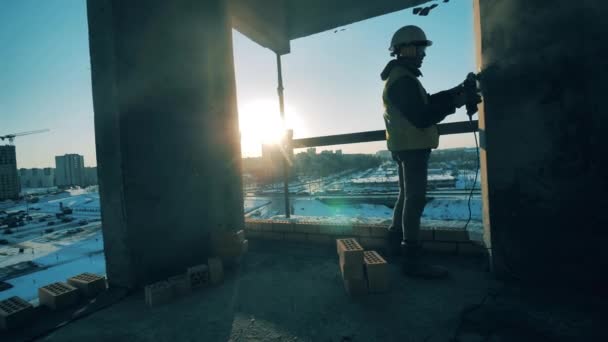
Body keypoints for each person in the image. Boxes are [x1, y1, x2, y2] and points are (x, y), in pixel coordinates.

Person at [381, 25, 480, 278]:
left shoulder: (403, 77)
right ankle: (411, 261)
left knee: (406, 197)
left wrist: (455, 92)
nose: (424, 53)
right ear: (406, 49)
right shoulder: (403, 80)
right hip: (412, 148)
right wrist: (456, 101)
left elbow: (425, 103)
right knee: (415, 201)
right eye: (420, 48)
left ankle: (394, 247)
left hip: (406, 146)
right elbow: (423, 116)